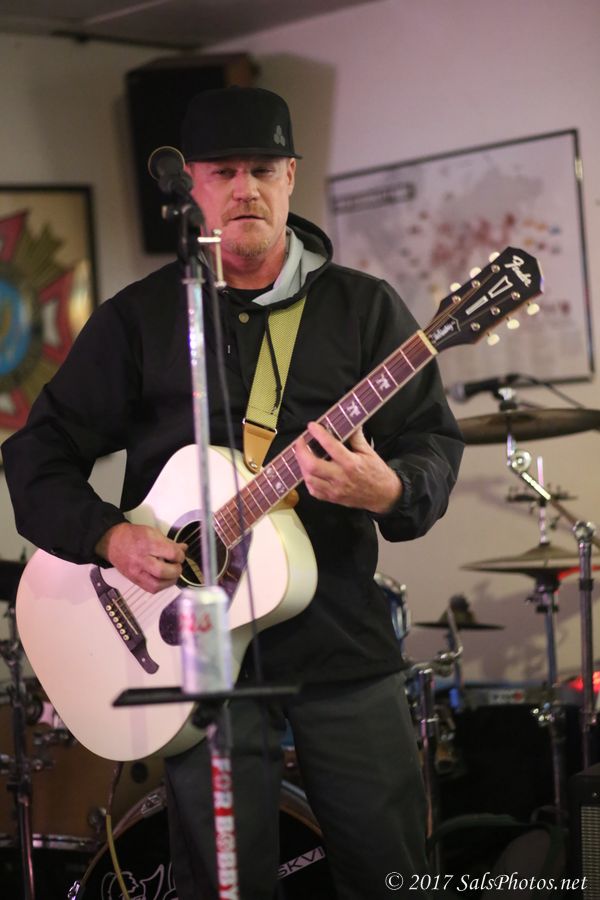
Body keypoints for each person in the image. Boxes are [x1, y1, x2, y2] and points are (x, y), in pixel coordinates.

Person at [3, 86, 464, 899]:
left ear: (291, 177)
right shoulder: (142, 319)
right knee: (225, 885)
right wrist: (109, 536)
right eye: (224, 172)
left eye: (263, 169)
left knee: (389, 870)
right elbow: (38, 453)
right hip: (190, 655)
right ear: (193, 186)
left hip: (339, 643)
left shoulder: (362, 309)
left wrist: (391, 487)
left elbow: (432, 442)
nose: (245, 188)